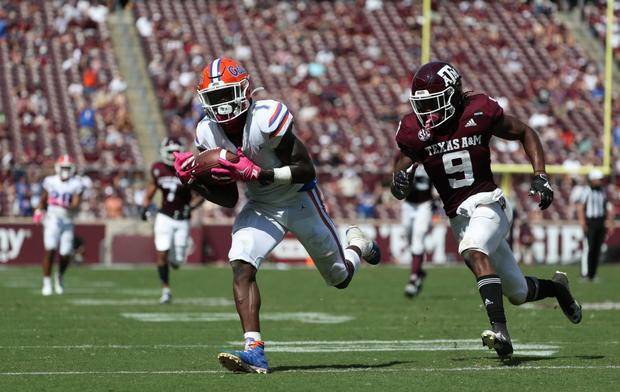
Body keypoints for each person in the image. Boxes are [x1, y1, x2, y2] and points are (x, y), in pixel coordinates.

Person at [174, 57, 381, 373]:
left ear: (244, 92)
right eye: (214, 98)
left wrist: (259, 173)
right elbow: (228, 198)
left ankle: (357, 245)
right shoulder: (208, 133)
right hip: (261, 206)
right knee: (241, 263)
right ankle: (254, 348)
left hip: (299, 199)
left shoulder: (267, 117)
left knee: (339, 278)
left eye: (226, 95)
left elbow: (305, 169)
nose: (222, 105)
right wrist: (193, 181)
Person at [391, 61, 582, 359]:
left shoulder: (478, 111)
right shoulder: (414, 130)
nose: (428, 112)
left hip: (489, 203)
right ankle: (558, 288)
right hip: (459, 218)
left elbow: (525, 132)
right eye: (423, 105)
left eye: (434, 103)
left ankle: (500, 332)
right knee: (517, 293)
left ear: (452, 95)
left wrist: (540, 175)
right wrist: (398, 183)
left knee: (473, 249)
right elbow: (400, 168)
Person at [141, 137, 203, 304]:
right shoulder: (158, 169)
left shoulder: (189, 168)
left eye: (174, 152)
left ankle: (171, 261)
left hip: (183, 219)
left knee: (176, 262)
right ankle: (166, 290)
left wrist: (190, 207)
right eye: (169, 152)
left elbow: (201, 195)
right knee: (162, 252)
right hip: (164, 216)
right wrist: (144, 208)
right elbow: (149, 193)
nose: (171, 155)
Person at [33, 155, 84, 296]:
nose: (66, 170)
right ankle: (47, 282)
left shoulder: (76, 183)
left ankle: (59, 276)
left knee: (65, 254)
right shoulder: (50, 181)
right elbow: (44, 198)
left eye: (68, 168)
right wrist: (38, 210)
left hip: (67, 221)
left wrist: (66, 205)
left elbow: (76, 203)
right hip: (52, 220)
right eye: (64, 167)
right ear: (58, 168)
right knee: (50, 249)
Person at [400, 165, 433, 298]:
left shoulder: (431, 155)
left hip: (425, 204)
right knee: (408, 238)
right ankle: (418, 270)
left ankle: (413, 279)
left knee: (418, 238)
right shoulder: (404, 156)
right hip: (408, 204)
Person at [576, 169, 614, 281]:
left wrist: (609, 221)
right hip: (590, 222)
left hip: (600, 221)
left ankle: (593, 274)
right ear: (593, 180)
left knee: (597, 249)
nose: (601, 181)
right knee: (589, 248)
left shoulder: (602, 191)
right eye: (599, 179)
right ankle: (585, 273)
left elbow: (606, 206)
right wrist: (582, 222)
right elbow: (580, 207)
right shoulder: (586, 191)